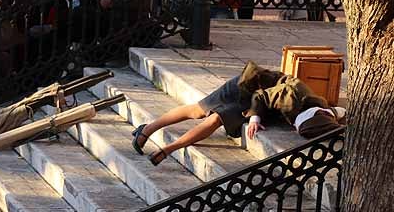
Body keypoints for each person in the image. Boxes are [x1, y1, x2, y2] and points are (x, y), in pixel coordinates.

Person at [130, 61, 344, 165]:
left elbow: (337, 114)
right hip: (246, 87)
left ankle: (165, 147)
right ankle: (149, 132)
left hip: (259, 104)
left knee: (214, 119)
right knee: (198, 111)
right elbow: (260, 96)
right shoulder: (292, 98)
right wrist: (255, 118)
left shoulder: (322, 111)